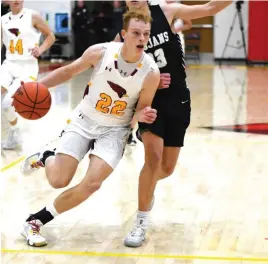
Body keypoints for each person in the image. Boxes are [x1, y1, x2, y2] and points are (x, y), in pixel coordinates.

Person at [18, 9, 160, 247]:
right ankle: (47, 156)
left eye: (146, 34)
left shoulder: (150, 73)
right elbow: (68, 71)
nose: (142, 39)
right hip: (84, 120)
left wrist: (142, 114)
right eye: (136, 33)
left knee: (92, 183)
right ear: (124, 34)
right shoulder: (100, 53)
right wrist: (33, 88)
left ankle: (34, 221)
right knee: (59, 181)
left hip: (114, 131)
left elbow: (139, 111)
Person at [114, 0, 232, 247]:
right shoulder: (124, 32)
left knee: (166, 169)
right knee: (153, 160)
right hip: (150, 102)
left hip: (179, 100)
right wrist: (149, 78)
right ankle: (141, 222)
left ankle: (147, 191)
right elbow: (115, 71)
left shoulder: (166, 11)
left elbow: (210, 8)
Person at [1, 0, 55, 150]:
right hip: (9, 64)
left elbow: (50, 36)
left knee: (6, 104)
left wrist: (41, 49)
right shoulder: (3, 20)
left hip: (27, 66)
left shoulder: (33, 16)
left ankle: (14, 133)